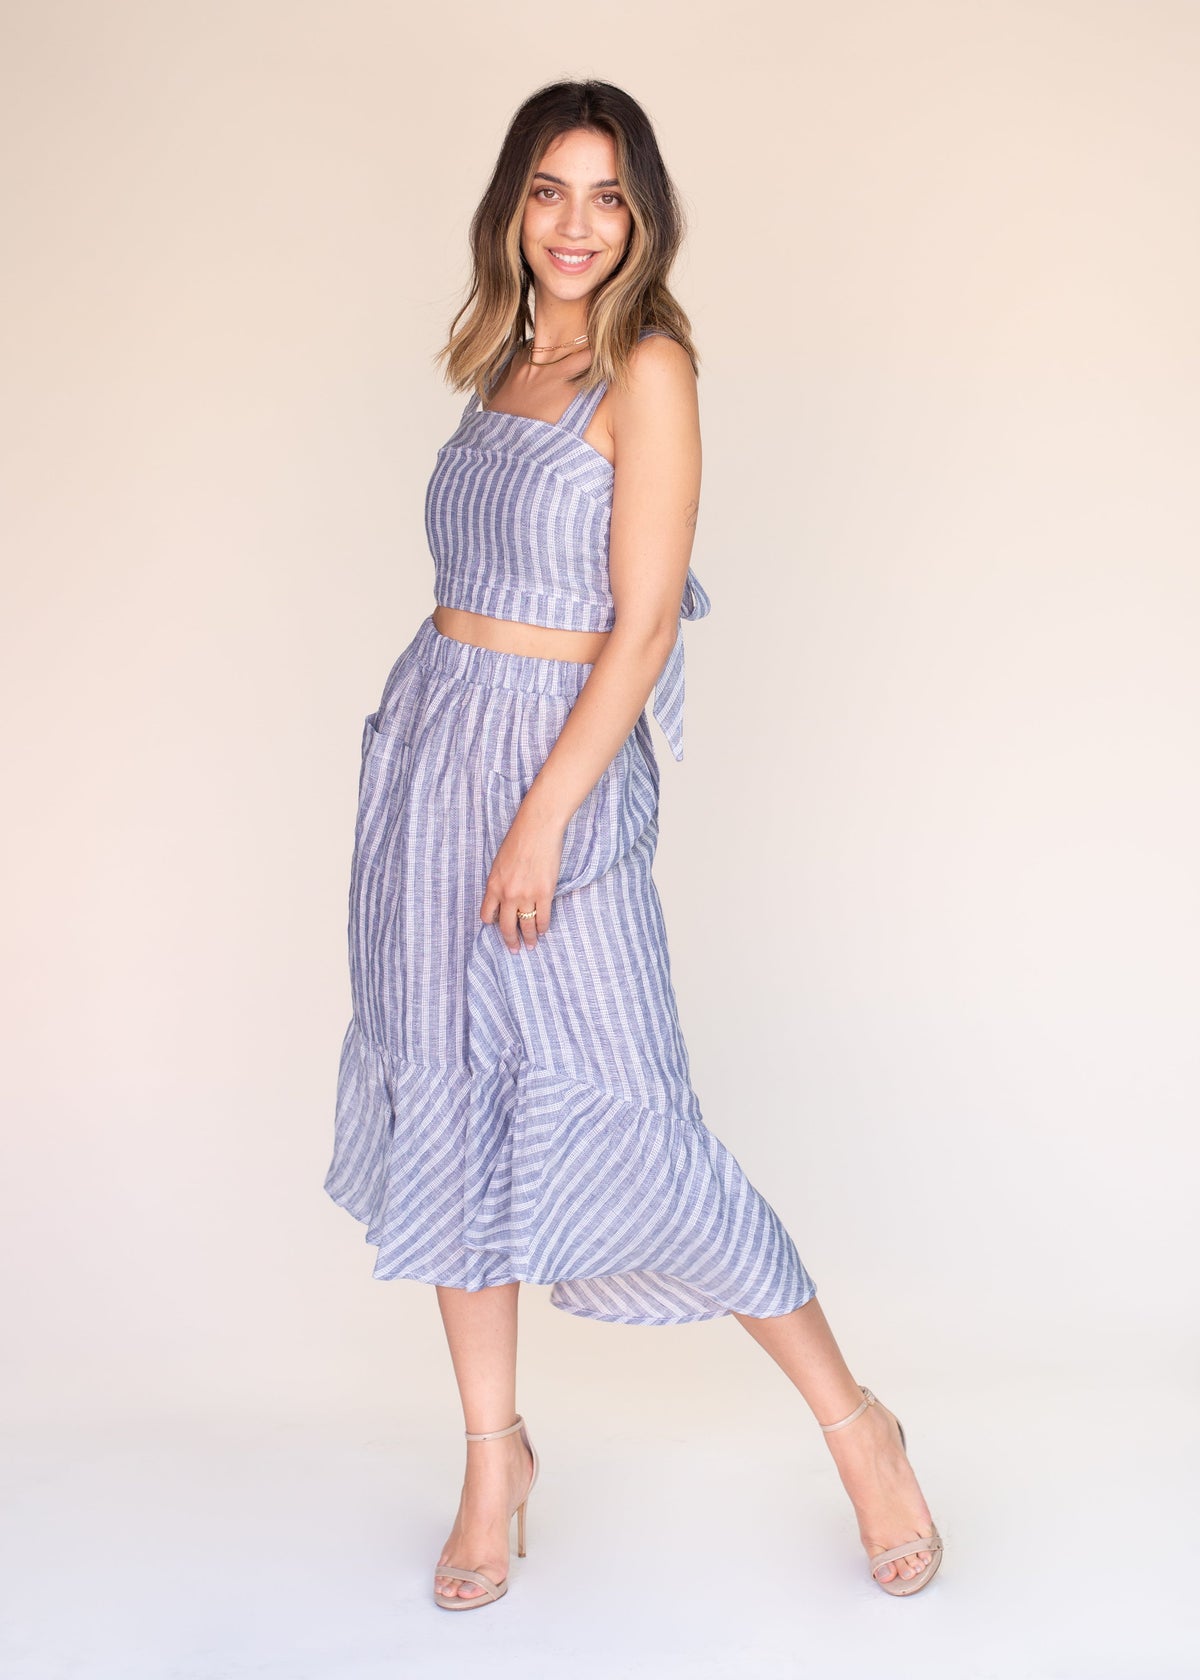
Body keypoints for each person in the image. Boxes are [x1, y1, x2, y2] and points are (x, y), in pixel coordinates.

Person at [324, 78, 942, 1610]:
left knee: (640, 1122)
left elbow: (643, 621)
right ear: (513, 209)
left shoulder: (642, 370)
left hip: (553, 780)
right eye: (550, 189)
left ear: (643, 215)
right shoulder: (501, 367)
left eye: (607, 194)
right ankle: (492, 1461)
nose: (578, 223)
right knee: (452, 1103)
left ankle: (858, 1429)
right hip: (429, 767)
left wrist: (542, 817)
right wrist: (445, 786)